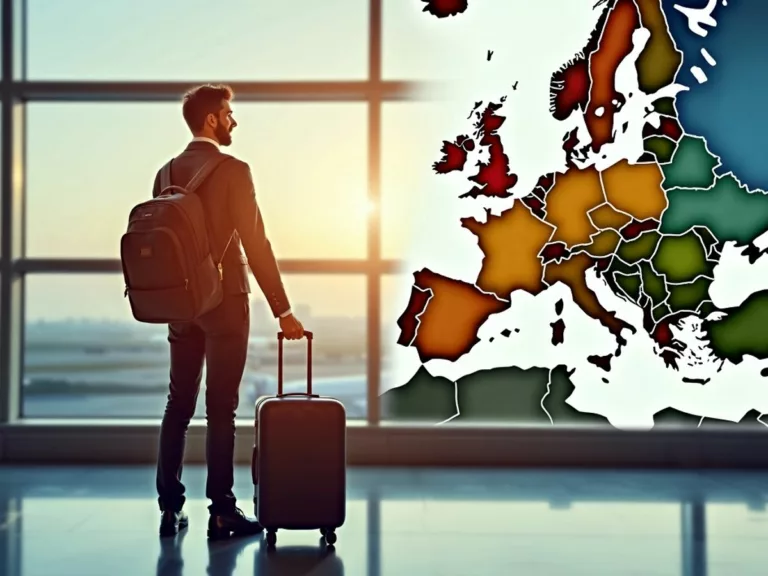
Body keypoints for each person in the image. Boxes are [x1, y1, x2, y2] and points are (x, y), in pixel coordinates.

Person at [153, 83, 305, 539]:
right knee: (221, 407)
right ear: (212, 120)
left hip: (180, 304)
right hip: (225, 304)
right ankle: (221, 510)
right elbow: (256, 244)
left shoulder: (165, 173)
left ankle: (169, 508)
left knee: (178, 404)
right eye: (228, 113)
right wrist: (283, 310)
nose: (234, 120)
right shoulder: (235, 170)